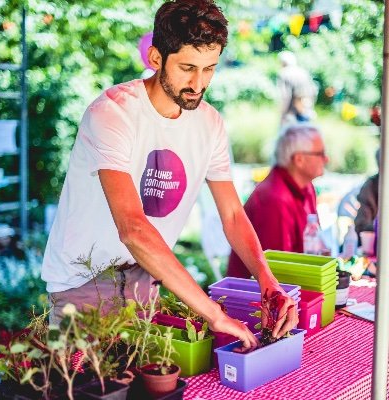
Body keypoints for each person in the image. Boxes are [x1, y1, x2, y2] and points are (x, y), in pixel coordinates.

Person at [41, 0, 297, 346]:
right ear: (156, 58)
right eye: (187, 67)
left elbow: (234, 215)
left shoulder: (210, 124)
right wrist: (214, 314)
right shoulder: (113, 113)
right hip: (83, 283)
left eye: (209, 68)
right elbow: (132, 228)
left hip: (145, 277)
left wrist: (268, 283)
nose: (198, 82)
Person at [227, 124, 328, 278]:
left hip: (295, 281)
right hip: (256, 293)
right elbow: (279, 271)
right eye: (320, 154)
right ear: (299, 159)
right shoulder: (274, 198)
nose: (326, 159)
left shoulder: (306, 187)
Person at [277, 51, 318, 125]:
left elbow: (286, 96)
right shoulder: (303, 72)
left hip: (291, 114)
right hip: (305, 110)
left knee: (288, 135)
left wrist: (282, 114)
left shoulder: (284, 73)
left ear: (283, 62)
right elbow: (313, 90)